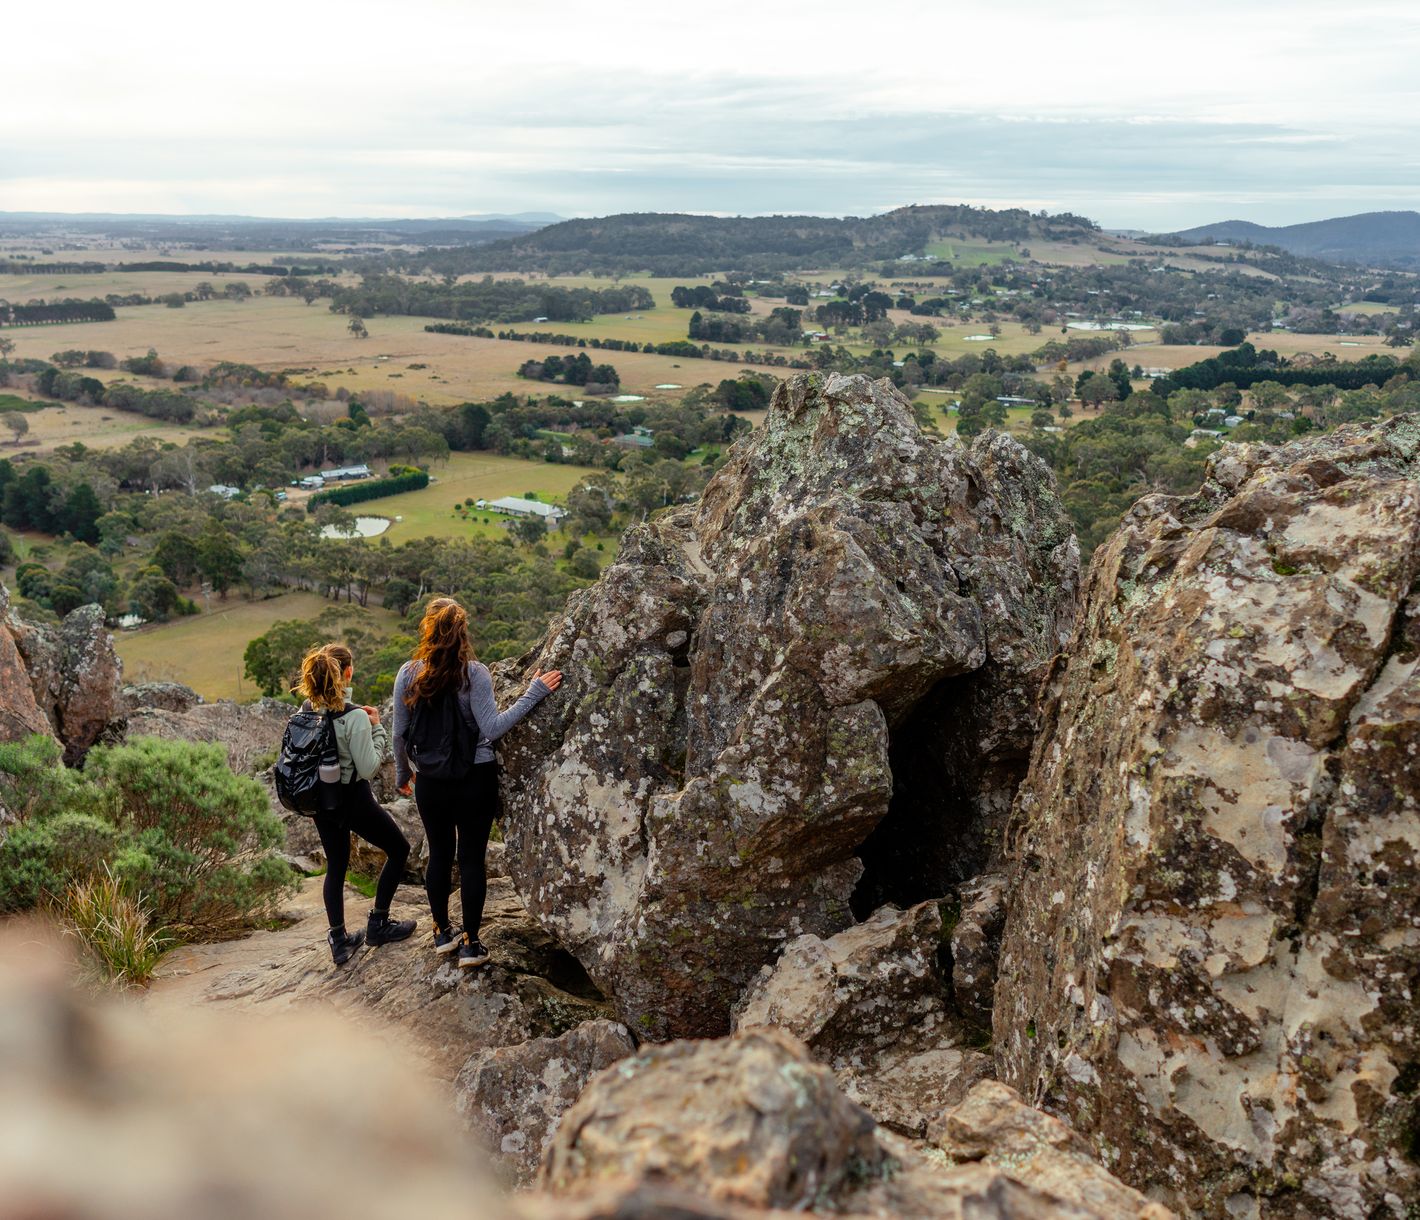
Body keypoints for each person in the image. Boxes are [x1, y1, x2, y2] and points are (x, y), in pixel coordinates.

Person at [392, 598, 561, 970]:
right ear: (462, 632)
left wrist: (404, 775)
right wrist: (534, 693)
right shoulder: (475, 674)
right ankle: (470, 943)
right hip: (475, 777)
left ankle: (440, 932)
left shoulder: (408, 674)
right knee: (471, 859)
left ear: (428, 629)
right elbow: (493, 728)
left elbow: (399, 734)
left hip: (431, 781)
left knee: (438, 853)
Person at [296, 643, 416, 966]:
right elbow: (369, 768)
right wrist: (377, 727)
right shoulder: (355, 718)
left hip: (321, 801)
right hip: (353, 798)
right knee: (399, 849)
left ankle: (338, 939)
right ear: (347, 673)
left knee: (336, 864)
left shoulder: (305, 712)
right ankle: (378, 923)